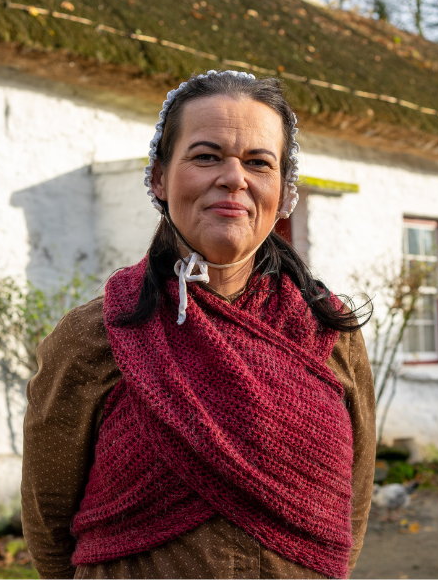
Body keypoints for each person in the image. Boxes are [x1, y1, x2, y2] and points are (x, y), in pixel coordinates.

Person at [21, 70, 376, 579]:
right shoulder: (94, 337)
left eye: (258, 162)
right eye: (207, 156)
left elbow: (349, 514)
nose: (234, 178)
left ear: (283, 189)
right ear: (160, 177)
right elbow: (48, 519)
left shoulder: (329, 332)